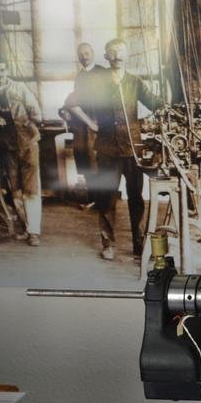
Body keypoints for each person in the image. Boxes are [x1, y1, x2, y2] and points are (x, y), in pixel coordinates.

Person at [69, 39, 162, 261]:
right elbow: (71, 102)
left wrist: (163, 110)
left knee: (136, 198)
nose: (117, 56)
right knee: (106, 197)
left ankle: (139, 245)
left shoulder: (135, 82)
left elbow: (156, 103)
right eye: (112, 52)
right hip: (107, 150)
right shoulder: (97, 83)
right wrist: (91, 124)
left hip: (133, 149)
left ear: (127, 55)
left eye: (121, 51)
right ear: (106, 56)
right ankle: (108, 244)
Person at [0, 57, 42, 246]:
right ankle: (25, 228)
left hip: (27, 144)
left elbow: (36, 114)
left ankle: (34, 232)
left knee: (31, 188)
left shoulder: (20, 88)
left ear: (7, 70)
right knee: (15, 189)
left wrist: (26, 127)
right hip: (6, 148)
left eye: (2, 70)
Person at [61, 42, 104, 204]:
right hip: (83, 125)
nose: (84, 57)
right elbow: (74, 99)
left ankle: (103, 199)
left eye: (87, 53)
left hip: (100, 123)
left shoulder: (102, 72)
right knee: (86, 161)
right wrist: (66, 109)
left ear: (93, 53)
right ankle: (92, 198)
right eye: (81, 54)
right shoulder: (80, 76)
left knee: (99, 161)